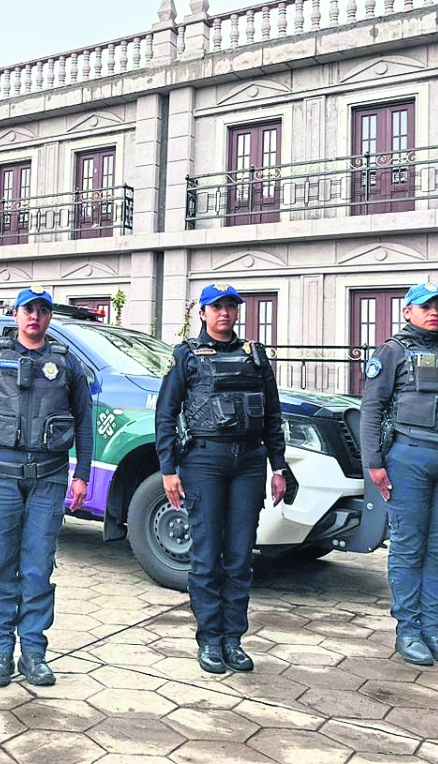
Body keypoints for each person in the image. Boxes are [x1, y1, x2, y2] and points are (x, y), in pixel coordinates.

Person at [0, 285, 92, 687]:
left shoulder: (66, 363)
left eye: (43, 310)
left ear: (49, 317)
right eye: (29, 309)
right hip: (1, 478)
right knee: (0, 566)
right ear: (15, 314)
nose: (35, 317)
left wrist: (82, 474)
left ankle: (33, 653)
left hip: (49, 479)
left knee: (38, 566)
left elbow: (84, 419)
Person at [154, 283, 287, 674]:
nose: (225, 313)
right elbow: (165, 415)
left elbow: (273, 415)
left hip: (248, 462)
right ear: (203, 313)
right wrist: (167, 469)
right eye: (217, 307)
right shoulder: (187, 356)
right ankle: (209, 639)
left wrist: (278, 466)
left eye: (231, 306)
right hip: (204, 462)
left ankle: (234, 639)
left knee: (241, 557)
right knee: (207, 554)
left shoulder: (255, 355)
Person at [359, 282, 438, 667]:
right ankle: (408, 630)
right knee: (409, 546)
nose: (435, 312)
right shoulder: (392, 352)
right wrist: (374, 463)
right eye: (426, 306)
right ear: (407, 312)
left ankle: (434, 629)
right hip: (410, 457)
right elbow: (372, 409)